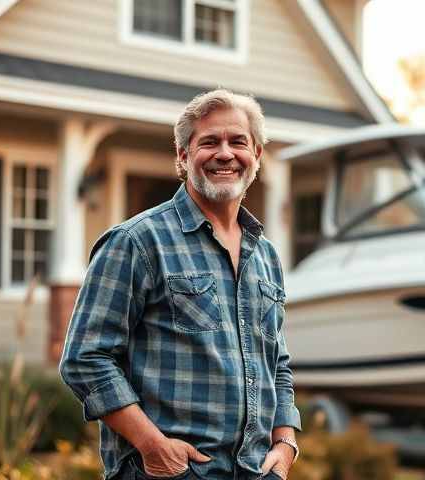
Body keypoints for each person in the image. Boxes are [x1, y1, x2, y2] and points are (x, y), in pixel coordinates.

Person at [60, 89, 301, 480]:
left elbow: (278, 363)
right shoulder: (137, 242)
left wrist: (285, 441)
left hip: (255, 471)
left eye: (238, 141)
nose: (225, 153)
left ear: (257, 154)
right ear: (183, 155)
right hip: (169, 471)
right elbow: (86, 358)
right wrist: (152, 445)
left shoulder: (266, 255)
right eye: (209, 142)